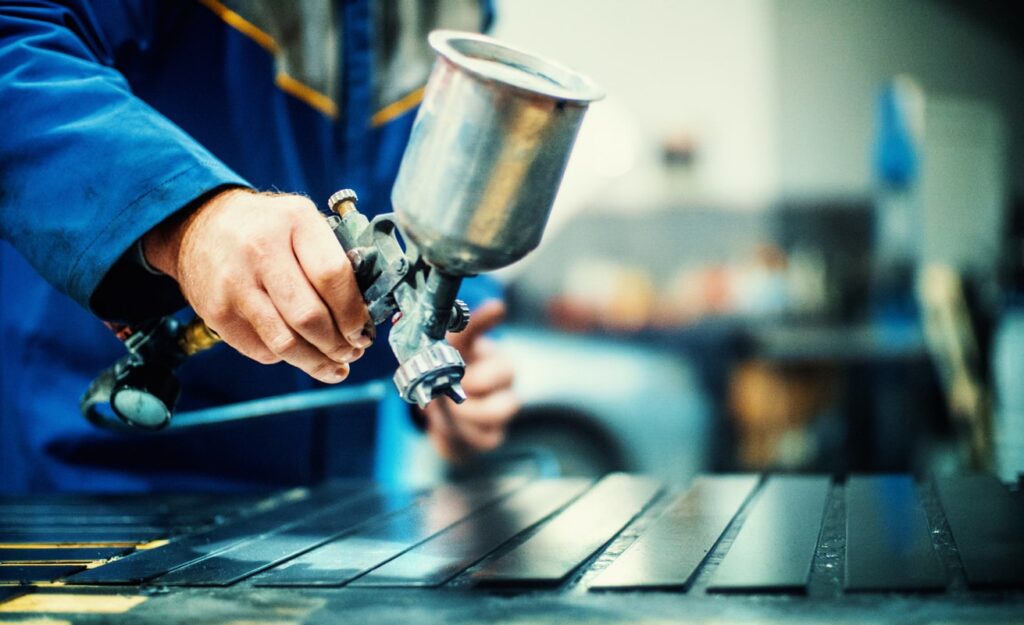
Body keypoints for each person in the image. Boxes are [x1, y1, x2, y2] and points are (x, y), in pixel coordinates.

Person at [0, 0, 519, 493]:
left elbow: (436, 192)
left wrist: (445, 371)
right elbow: (15, 41)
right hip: (92, 474)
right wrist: (189, 219)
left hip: (328, 501)